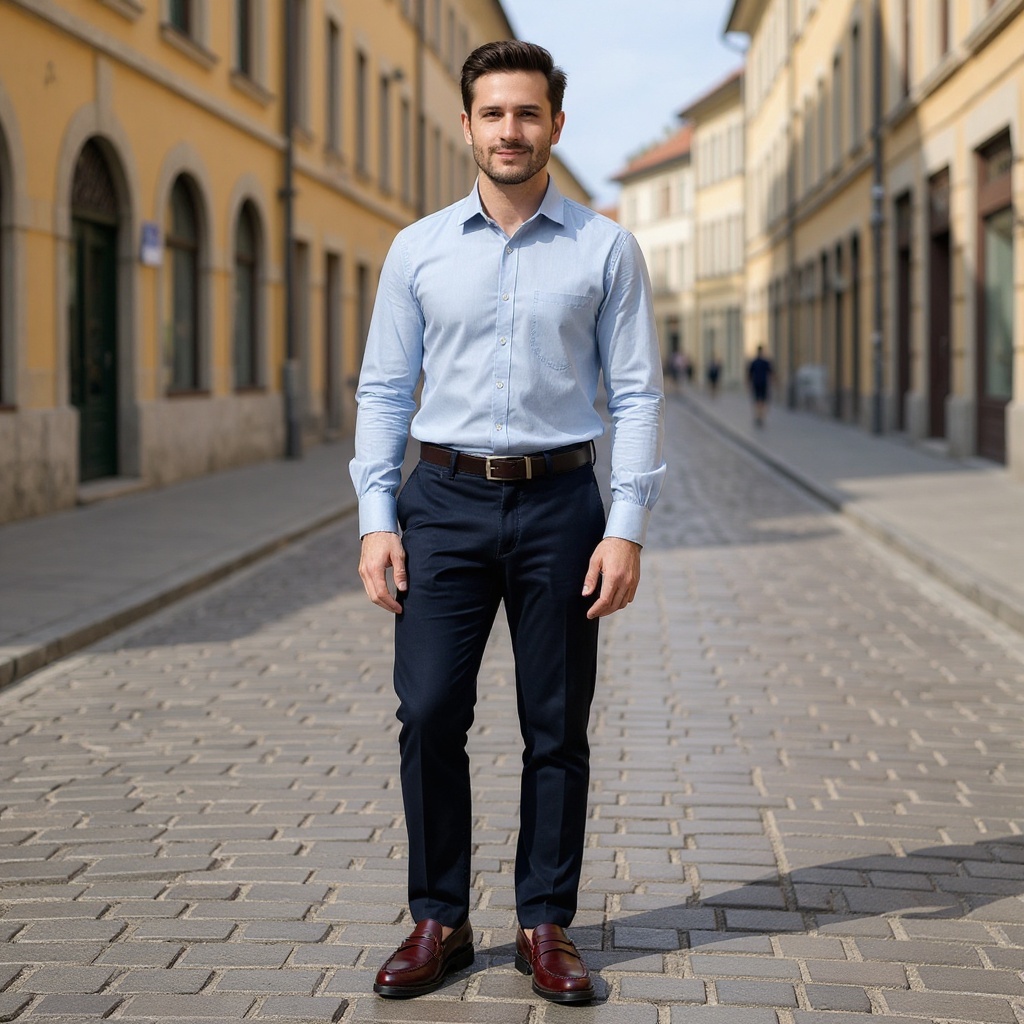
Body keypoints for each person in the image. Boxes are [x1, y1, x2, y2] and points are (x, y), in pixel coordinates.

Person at [350, 40, 665, 1005]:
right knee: (430, 711)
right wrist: (376, 515)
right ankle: (438, 918)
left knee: (555, 725)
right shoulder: (417, 248)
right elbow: (385, 387)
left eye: (528, 114)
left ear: (555, 126)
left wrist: (626, 525)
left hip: (562, 505)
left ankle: (545, 922)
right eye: (494, 114)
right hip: (439, 502)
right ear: (468, 126)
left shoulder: (606, 248)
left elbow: (639, 392)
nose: (511, 131)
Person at [748, 344, 773, 426]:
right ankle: (761, 416)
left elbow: (749, 374)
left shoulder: (754, 362)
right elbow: (771, 372)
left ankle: (758, 416)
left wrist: (748, 383)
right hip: (763, 383)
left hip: (756, 383)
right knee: (762, 400)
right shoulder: (765, 362)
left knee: (757, 400)